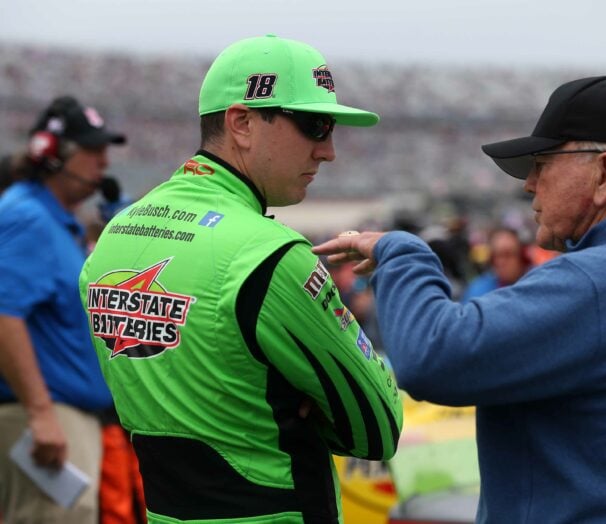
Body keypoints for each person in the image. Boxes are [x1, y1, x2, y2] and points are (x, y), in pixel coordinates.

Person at [313, 72, 606, 522]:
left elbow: (431, 354)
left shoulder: (601, 280)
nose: (529, 183)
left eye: (543, 163)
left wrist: (404, 252)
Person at [79, 35, 402, 524]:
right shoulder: (272, 255)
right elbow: (378, 429)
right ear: (243, 123)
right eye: (314, 125)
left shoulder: (113, 238)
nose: (328, 151)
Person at [0, 96, 125, 523]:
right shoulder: (27, 218)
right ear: (51, 155)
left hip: (64, 416)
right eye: (92, 150)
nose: (103, 162)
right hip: (47, 418)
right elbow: (3, 312)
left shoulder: (50, 220)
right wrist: (40, 413)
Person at [461, 227, 529, 302]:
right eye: (495, 255)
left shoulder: (535, 287)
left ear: (522, 257)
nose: (500, 262)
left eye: (507, 254)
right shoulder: (478, 292)